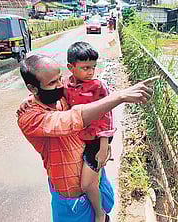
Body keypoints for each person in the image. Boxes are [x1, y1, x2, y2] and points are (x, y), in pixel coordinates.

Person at [17, 54, 156, 221]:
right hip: (73, 199)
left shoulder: (60, 96)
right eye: (52, 83)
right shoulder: (29, 118)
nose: (61, 85)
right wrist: (119, 97)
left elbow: (93, 99)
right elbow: (71, 119)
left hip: (93, 176)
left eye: (60, 79)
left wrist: (104, 142)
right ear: (33, 89)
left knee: (104, 214)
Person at [65, 42, 114, 222]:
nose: (90, 72)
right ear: (71, 67)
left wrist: (104, 146)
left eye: (93, 67)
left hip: (97, 137)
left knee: (86, 184)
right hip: (79, 136)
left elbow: (107, 117)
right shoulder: (66, 85)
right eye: (85, 68)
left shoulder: (98, 86)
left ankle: (100, 213)